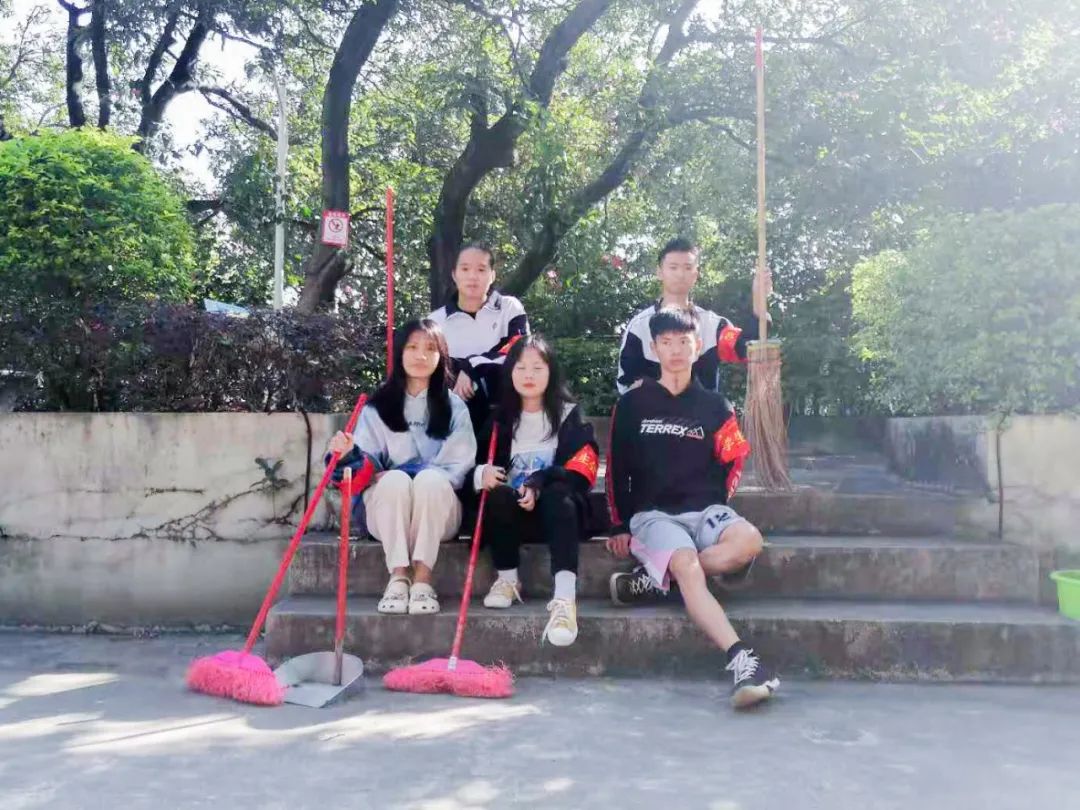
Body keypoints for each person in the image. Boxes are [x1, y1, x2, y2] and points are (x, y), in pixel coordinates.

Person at [605, 306, 780, 708]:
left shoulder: (717, 406)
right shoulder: (632, 405)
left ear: (697, 346)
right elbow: (616, 468)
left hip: (705, 510)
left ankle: (657, 578)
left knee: (749, 540)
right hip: (654, 515)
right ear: (654, 348)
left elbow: (734, 461)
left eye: (683, 342)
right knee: (686, 563)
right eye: (666, 342)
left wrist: (719, 504)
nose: (675, 350)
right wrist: (619, 525)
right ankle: (743, 659)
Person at [327, 319, 476, 616]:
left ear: (441, 356)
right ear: (399, 352)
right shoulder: (376, 407)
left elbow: (458, 467)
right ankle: (398, 576)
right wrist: (346, 454)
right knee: (394, 480)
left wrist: (411, 472)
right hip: (387, 513)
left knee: (429, 480)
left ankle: (423, 579)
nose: (421, 355)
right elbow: (363, 467)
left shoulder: (455, 407)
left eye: (430, 348)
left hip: (437, 512)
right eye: (412, 347)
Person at [469, 336, 599, 647]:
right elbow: (470, 465)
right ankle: (507, 579)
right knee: (498, 496)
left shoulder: (569, 415)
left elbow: (583, 469)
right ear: (509, 373)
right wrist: (481, 473)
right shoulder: (498, 420)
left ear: (551, 372)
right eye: (521, 367)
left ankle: (565, 598)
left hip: (559, 517)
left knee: (559, 496)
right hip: (511, 518)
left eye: (538, 368)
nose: (529, 375)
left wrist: (542, 480)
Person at [615, 237, 771, 395]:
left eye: (688, 267)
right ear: (660, 272)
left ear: (696, 274)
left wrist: (759, 301)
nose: (680, 274)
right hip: (651, 410)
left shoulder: (713, 325)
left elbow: (748, 348)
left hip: (704, 410)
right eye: (673, 267)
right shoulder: (639, 326)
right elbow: (626, 383)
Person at [429, 243, 530, 429]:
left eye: (481, 269)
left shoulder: (509, 308)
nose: (472, 276)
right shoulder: (435, 322)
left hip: (508, 412)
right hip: (455, 418)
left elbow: (520, 351)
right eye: (465, 269)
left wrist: (472, 367)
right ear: (454, 275)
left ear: (492, 275)